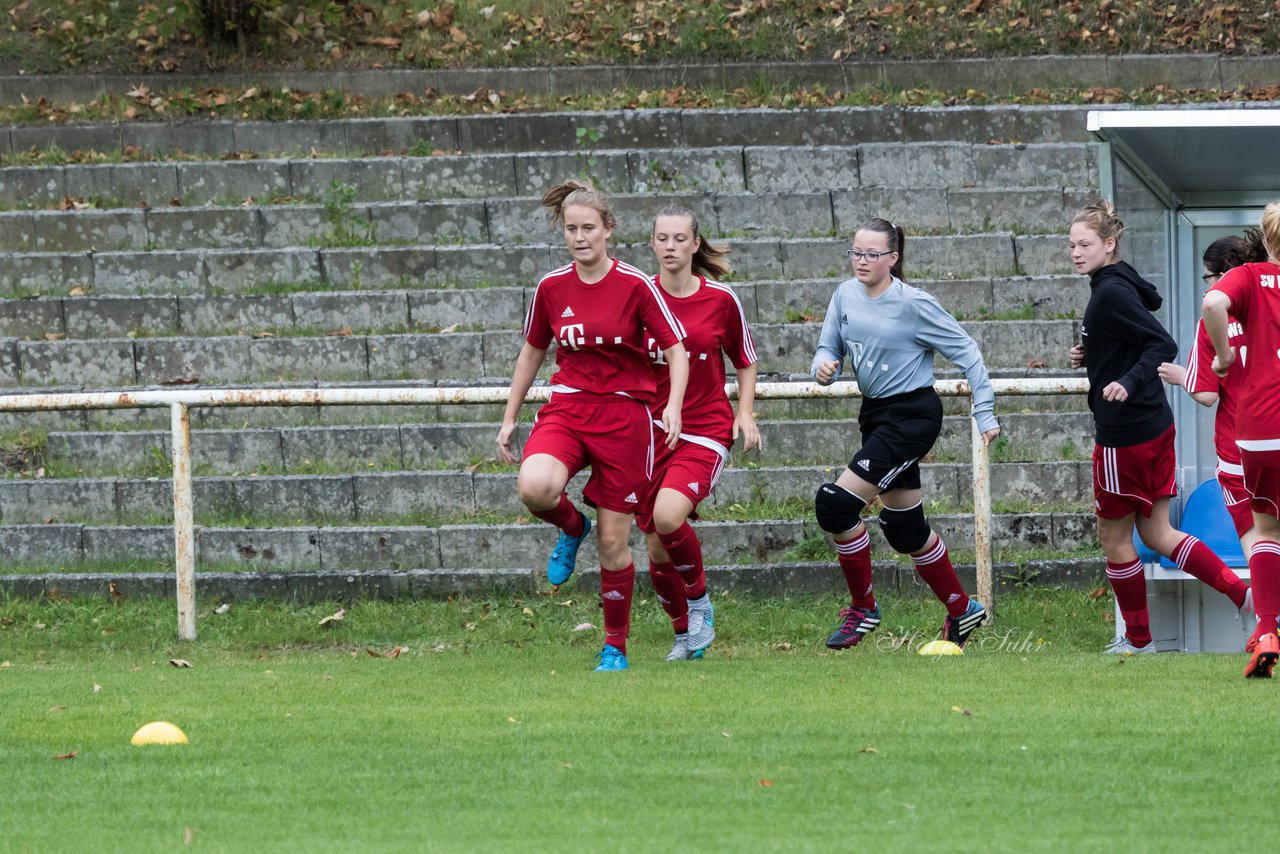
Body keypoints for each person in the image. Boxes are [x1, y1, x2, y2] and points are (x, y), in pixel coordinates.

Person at [496, 179, 690, 672]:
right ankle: (570, 525)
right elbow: (532, 352)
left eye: (588, 228)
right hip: (569, 409)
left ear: (608, 230)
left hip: (625, 419)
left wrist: (673, 407)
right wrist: (509, 417)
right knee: (535, 487)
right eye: (571, 229)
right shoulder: (551, 286)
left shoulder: (635, 285)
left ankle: (614, 646)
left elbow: (676, 349)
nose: (579, 237)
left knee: (613, 543)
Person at [1067, 200, 1249, 655]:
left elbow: (1160, 342)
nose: (1075, 252)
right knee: (1157, 533)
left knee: (1114, 537)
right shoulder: (1117, 283)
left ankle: (1139, 640)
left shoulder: (1110, 291)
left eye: (1084, 244)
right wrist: (1095, 353)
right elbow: (1134, 335)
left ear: (1109, 245)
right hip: (1153, 426)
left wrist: (1126, 381)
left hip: (1124, 433)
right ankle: (1244, 596)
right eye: (1071, 245)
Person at [811, 217, 997, 651]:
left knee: (834, 506)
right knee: (904, 527)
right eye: (856, 252)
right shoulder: (844, 295)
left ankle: (863, 609)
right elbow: (828, 347)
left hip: (913, 416)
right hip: (875, 414)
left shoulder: (914, 304)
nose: (861, 261)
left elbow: (968, 352)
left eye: (872, 254)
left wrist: (984, 411)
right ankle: (962, 609)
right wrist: (823, 367)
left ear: (893, 258)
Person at [638, 205, 761, 662]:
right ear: (652, 244)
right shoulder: (637, 296)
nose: (670, 247)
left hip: (705, 428)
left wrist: (744, 413)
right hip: (649, 435)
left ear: (695, 244)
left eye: (679, 238)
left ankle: (700, 604)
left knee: (669, 516)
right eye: (661, 238)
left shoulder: (720, 299)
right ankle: (683, 634)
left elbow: (746, 360)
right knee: (654, 541)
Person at [1203, 200, 1280, 678]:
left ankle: (1268, 629)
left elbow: (1213, 302)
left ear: (1267, 239)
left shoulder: (1252, 276)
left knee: (1266, 530)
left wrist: (1226, 357)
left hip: (1260, 428)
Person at [1157, 230, 1268, 560]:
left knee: (1257, 542)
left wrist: (1181, 377)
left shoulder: (1212, 321)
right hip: (1274, 437)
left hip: (1238, 448)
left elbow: (1205, 394)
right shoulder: (1272, 309)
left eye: (1209, 277)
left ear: (1224, 274)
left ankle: (1266, 611)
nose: (1207, 287)